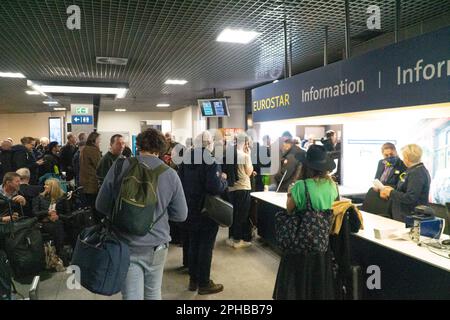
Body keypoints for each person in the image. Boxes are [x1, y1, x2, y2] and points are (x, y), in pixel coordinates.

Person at [96, 128, 187, 300]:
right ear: (161, 148)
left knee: (131, 295)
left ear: (138, 145)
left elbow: (101, 205)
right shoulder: (170, 174)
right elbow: (181, 215)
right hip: (157, 245)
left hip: (124, 243)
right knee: (153, 292)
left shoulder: (120, 166)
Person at [274, 145, 338, 300]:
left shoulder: (301, 186)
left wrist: (290, 193)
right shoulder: (333, 185)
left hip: (300, 243)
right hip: (322, 242)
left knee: (297, 282)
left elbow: (290, 210)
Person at [178, 131, 228, 295]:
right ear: (209, 143)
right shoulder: (211, 161)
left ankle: (193, 280)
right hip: (207, 211)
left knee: (193, 244)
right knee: (206, 247)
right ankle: (204, 283)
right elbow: (214, 187)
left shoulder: (185, 160)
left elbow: (180, 183)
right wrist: (223, 181)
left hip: (189, 209)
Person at [380, 144, 431, 222]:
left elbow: (410, 198)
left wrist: (391, 192)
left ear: (407, 158)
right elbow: (405, 190)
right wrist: (393, 190)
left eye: (404, 157)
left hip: (410, 217)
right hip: (404, 215)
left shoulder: (416, 173)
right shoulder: (412, 170)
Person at [32, 178, 70, 264]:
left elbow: (68, 215)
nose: (44, 186)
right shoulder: (39, 198)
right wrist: (47, 213)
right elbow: (35, 213)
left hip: (58, 222)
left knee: (58, 224)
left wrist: (58, 216)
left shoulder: (63, 197)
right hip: (44, 223)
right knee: (57, 226)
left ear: (53, 187)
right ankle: (61, 253)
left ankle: (59, 253)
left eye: (47, 185)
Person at [227, 133, 254, 249]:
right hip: (243, 187)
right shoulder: (245, 156)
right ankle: (238, 240)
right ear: (245, 143)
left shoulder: (229, 154)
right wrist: (249, 155)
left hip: (232, 188)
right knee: (242, 215)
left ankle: (232, 237)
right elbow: (248, 172)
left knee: (233, 213)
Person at [79, 132, 101, 222]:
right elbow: (98, 165)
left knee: (89, 206)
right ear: (94, 140)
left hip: (84, 182)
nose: (100, 141)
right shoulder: (93, 150)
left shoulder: (84, 149)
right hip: (92, 183)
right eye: (99, 139)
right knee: (95, 207)